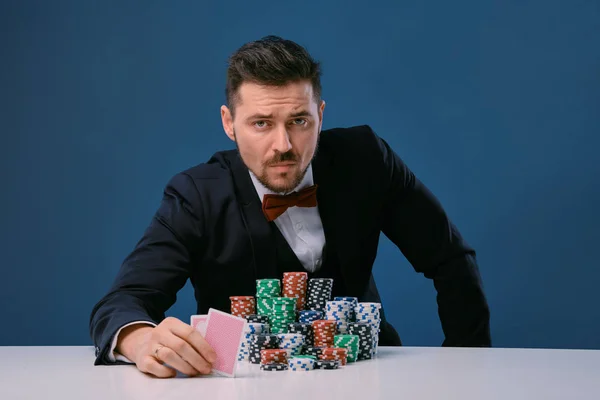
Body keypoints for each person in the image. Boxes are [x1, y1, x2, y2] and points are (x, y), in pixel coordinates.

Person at [89, 35, 491, 378]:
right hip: (242, 384)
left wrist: (466, 368)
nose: (282, 145)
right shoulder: (196, 194)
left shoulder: (367, 161)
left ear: (320, 114)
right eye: (261, 123)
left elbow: (450, 260)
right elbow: (123, 300)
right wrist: (137, 338)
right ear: (229, 123)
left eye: (299, 121)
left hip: (366, 374)